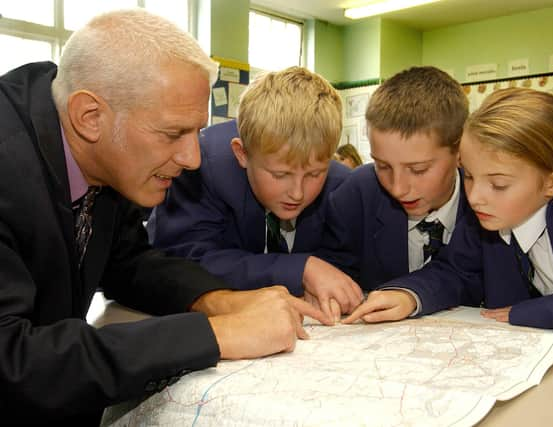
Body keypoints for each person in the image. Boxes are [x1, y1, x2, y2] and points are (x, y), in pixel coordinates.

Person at [0, 10, 331, 426]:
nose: (192, 159)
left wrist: (220, 302)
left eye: (196, 132)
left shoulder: (98, 149)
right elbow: (11, 358)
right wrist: (216, 335)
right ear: (90, 116)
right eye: (173, 133)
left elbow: (128, 262)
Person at [346, 88, 553, 342]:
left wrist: (547, 309)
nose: (474, 198)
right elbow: (455, 271)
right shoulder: (488, 216)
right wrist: (409, 295)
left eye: (499, 184)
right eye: (470, 176)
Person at [147, 66, 363, 322]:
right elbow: (185, 261)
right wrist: (300, 269)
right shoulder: (199, 166)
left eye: (314, 174)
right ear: (242, 154)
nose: (297, 193)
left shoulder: (341, 185)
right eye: (280, 175)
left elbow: (348, 261)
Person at [304, 66, 470, 322]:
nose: (398, 187)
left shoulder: (485, 202)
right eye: (383, 166)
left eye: (418, 169)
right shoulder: (357, 194)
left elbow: (470, 273)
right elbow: (333, 270)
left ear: (461, 150)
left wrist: (411, 294)